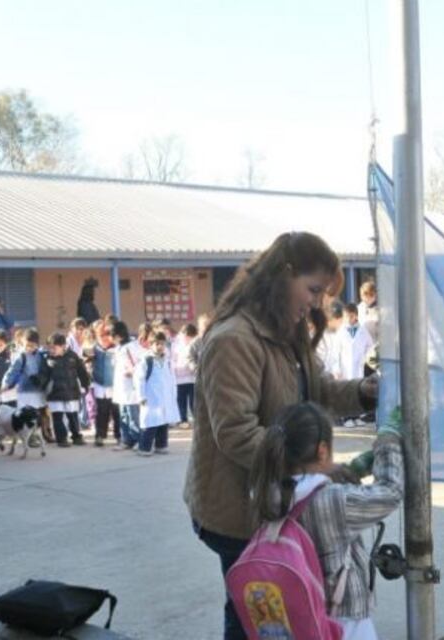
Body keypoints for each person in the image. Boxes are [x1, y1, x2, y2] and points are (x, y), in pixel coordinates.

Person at [184, 231, 378, 640]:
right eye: (312, 289)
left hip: (274, 500)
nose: (315, 302)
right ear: (282, 275)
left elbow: (320, 389)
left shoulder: (287, 334)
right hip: (238, 511)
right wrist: (310, 472)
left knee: (274, 617)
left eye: (321, 294)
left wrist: (363, 392)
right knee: (254, 618)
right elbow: (236, 433)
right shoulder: (234, 339)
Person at [247, 402, 401, 640]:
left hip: (293, 620)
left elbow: (305, 486)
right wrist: (388, 439)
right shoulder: (332, 501)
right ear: (322, 451)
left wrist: (345, 472)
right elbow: (391, 492)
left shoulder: (264, 493)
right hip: (342, 621)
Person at [135, 332, 180, 456]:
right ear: (151, 345)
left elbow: (172, 379)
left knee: (163, 422)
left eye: (162, 344)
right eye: (157, 344)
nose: (160, 346)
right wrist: (141, 396)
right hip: (151, 397)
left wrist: (173, 395)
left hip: (165, 397)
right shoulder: (146, 360)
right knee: (150, 424)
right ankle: (145, 447)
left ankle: (161, 445)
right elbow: (139, 379)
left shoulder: (167, 361)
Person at [44, 332, 90, 447]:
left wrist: (86, 384)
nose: (51, 350)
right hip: (55, 393)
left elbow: (82, 372)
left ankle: (76, 436)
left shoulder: (73, 356)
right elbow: (43, 374)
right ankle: (61, 439)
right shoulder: (47, 359)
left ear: (63, 346)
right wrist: (39, 382)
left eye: (54, 347)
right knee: (57, 417)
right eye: (49, 348)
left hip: (71, 392)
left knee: (73, 416)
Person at [111, 321, 144, 451]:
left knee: (132, 416)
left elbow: (139, 364)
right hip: (121, 386)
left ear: (119, 336)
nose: (111, 339)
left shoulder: (131, 347)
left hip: (130, 387)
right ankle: (126, 440)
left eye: (112, 336)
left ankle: (138, 439)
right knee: (123, 415)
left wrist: (132, 371)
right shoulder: (118, 348)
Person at [90, 322, 119, 447]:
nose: (105, 338)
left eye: (107, 334)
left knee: (116, 412)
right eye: (101, 335)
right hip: (99, 385)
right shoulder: (93, 349)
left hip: (115, 385)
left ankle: (119, 435)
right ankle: (100, 435)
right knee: (101, 411)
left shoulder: (117, 348)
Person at [338, 303, 374, 381]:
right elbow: (336, 351)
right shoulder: (340, 331)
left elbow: (370, 346)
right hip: (344, 367)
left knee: (357, 387)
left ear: (356, 316)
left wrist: (364, 358)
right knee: (346, 388)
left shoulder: (363, 331)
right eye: (346, 316)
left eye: (351, 316)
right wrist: (336, 368)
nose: (348, 319)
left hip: (358, 366)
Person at [172, 323, 198, 427]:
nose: (186, 338)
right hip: (179, 377)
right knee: (181, 400)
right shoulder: (176, 343)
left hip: (192, 378)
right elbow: (173, 359)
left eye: (189, 336)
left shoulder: (195, 343)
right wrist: (175, 369)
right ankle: (183, 420)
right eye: (185, 335)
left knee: (193, 400)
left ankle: (196, 419)